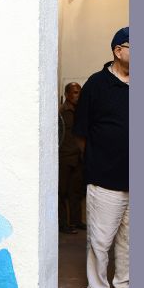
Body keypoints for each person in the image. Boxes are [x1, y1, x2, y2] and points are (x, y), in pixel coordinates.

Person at [73, 26, 129, 288]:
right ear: (118, 51)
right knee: (100, 240)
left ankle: (122, 287)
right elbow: (80, 133)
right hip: (105, 178)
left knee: (129, 241)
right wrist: (98, 159)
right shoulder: (96, 84)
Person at [59, 82, 85, 234]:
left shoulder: (80, 110)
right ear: (67, 94)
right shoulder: (62, 112)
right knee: (61, 193)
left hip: (77, 158)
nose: (78, 95)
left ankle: (76, 221)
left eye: (79, 92)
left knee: (75, 192)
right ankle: (63, 224)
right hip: (65, 157)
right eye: (75, 92)